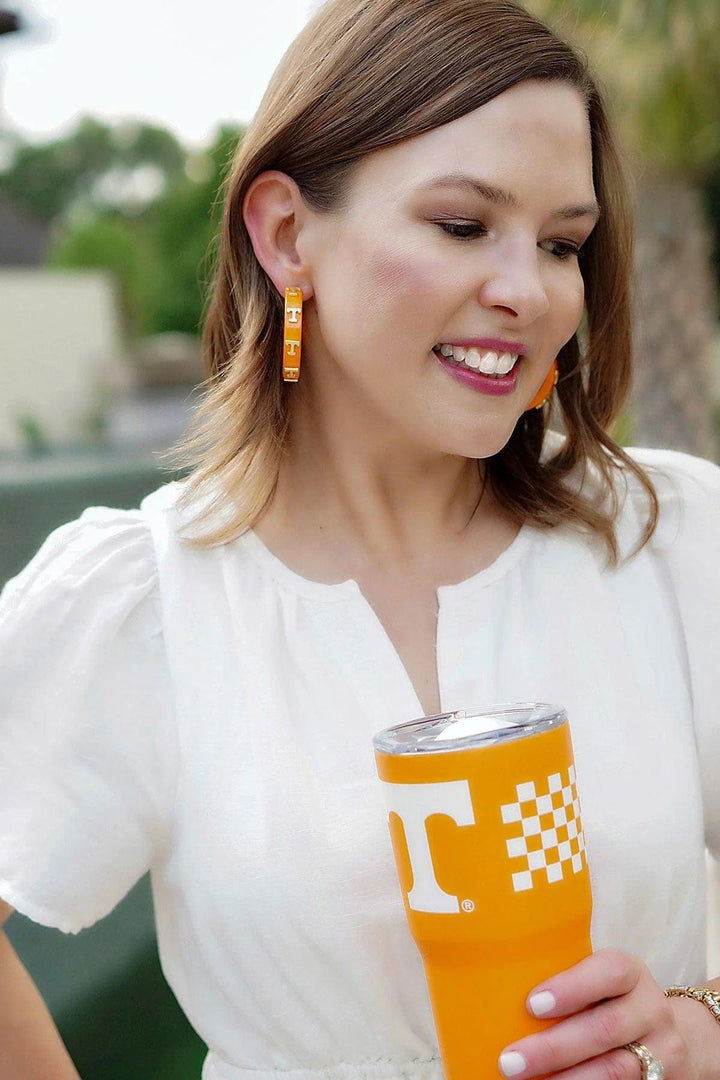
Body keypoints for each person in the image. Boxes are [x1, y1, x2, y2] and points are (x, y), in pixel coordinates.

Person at [1, 0, 720, 1076]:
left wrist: (701, 1024)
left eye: (564, 243)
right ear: (288, 234)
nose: (528, 291)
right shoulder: (145, 602)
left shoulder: (674, 540)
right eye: (463, 226)